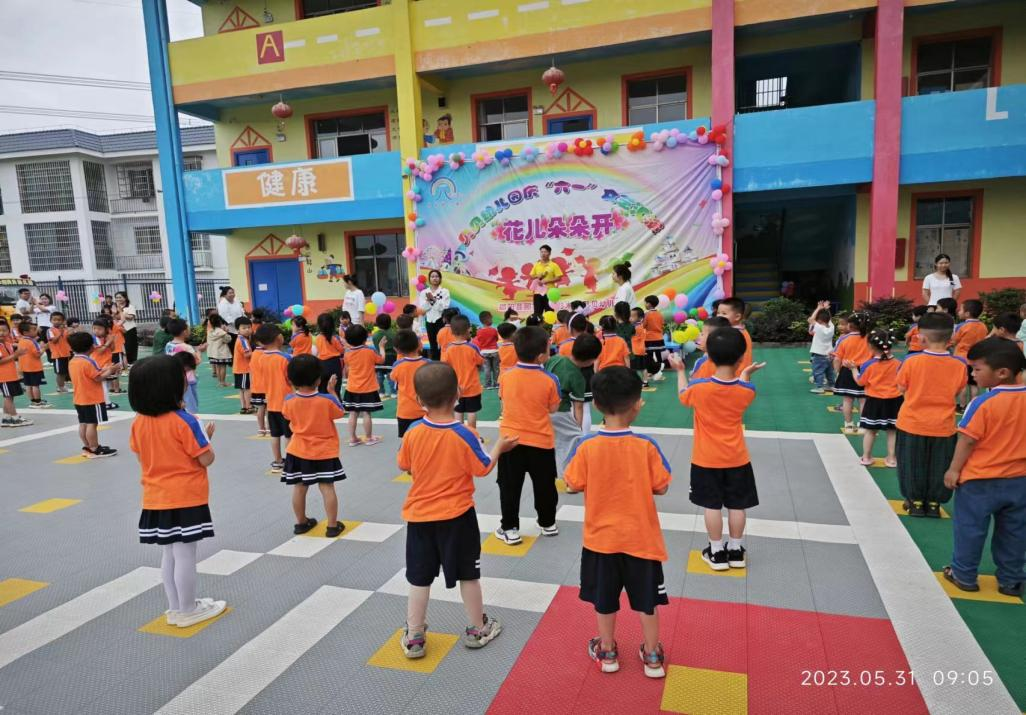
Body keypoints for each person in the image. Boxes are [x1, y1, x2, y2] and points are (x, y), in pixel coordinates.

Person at [397, 362, 518, 659]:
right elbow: (483, 468)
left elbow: (404, 464)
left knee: (419, 578)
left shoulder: (413, 430)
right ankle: (478, 627)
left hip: (420, 517)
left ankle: (414, 636)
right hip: (458, 517)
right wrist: (500, 447)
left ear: (418, 400)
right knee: (468, 574)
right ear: (459, 394)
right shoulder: (466, 433)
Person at [564, 366, 671, 677]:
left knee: (604, 599)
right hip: (642, 541)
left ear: (596, 405)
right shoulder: (647, 446)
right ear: (638, 404)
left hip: (601, 542)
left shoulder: (586, 447)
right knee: (647, 602)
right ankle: (652, 655)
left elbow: (571, 483)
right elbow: (662, 486)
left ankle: (608, 650)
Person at [129, 355, 226, 628]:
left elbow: (141, 455)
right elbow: (206, 459)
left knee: (169, 554)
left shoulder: (138, 422)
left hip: (154, 496)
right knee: (186, 555)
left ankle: (175, 607)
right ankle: (188, 609)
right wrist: (206, 438)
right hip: (186, 496)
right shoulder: (186, 420)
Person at [669, 328, 765, 571]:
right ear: (741, 357)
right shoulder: (747, 391)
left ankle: (716, 551)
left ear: (709, 355)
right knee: (737, 506)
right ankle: (736, 549)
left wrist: (680, 371)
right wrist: (744, 374)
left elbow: (683, 395)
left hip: (705, 460)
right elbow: (741, 388)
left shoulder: (699, 388)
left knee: (711, 506)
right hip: (737, 458)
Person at [942, 337, 1026, 599]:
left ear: (1002, 372)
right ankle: (1010, 580)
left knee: (970, 528)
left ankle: (964, 575)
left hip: (979, 480)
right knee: (1015, 532)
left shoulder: (982, 403)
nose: (972, 373)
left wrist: (953, 470)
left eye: (977, 369)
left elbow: (967, 439)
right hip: (1019, 481)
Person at [895, 312, 967, 518]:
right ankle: (934, 503)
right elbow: (958, 390)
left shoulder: (911, 362)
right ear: (951, 338)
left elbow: (901, 387)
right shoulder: (959, 365)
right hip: (944, 425)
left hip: (912, 422)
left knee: (911, 463)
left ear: (921, 337)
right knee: (939, 464)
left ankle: (915, 502)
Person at [495, 326, 562, 545]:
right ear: (542, 355)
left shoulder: (506, 376)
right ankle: (548, 522)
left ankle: (510, 528)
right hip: (541, 441)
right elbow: (552, 409)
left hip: (509, 442)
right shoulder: (551, 379)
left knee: (509, 486)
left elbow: (503, 399)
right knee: (545, 485)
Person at [281, 355, 347, 538]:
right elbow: (340, 413)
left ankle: (301, 522)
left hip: (298, 450)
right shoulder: (326, 400)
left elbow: (286, 416)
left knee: (299, 487)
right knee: (327, 487)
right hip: (324, 451)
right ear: (319, 379)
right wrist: (332, 391)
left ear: (291, 379)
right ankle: (332, 526)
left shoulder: (288, 400)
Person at [546, 333, 600, 490]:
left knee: (555, 443)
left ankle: (556, 473)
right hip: (560, 412)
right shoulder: (578, 377)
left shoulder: (556, 359)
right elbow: (578, 406)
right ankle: (568, 479)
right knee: (573, 441)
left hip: (543, 409)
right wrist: (578, 428)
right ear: (591, 360)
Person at [846, 330, 903, 468]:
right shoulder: (899, 364)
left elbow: (860, 382)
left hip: (874, 401)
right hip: (895, 401)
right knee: (892, 431)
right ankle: (892, 458)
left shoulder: (868, 365)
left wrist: (854, 369)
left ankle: (866, 457)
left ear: (871, 347)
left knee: (870, 431)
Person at [68, 331, 118, 455]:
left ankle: (87, 446)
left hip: (79, 398)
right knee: (92, 424)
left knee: (83, 423)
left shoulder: (73, 361)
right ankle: (95, 448)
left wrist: (104, 370)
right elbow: (98, 378)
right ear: (91, 346)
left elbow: (91, 374)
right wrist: (111, 370)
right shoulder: (89, 362)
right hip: (92, 398)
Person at [253, 324, 292, 472]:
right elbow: (290, 380)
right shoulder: (285, 358)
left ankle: (277, 460)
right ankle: (291, 461)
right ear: (278, 338)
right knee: (289, 435)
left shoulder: (262, 358)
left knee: (275, 434)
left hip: (271, 403)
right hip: (286, 403)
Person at [342, 324, 384, 447]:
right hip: (368, 388)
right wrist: (381, 347)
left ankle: (353, 438)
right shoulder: (369, 351)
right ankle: (369, 438)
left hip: (352, 387)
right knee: (366, 413)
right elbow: (381, 360)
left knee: (353, 413)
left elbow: (347, 369)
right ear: (365, 338)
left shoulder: (347, 353)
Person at [442, 315, 484, 431]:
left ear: (452, 332)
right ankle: (472, 433)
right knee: (472, 412)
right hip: (472, 387)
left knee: (458, 411)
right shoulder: (472, 347)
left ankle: (459, 434)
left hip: (455, 389)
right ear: (468, 330)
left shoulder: (449, 349)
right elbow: (480, 361)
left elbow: (445, 365)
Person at [832, 312, 872, 434]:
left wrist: (837, 372)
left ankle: (848, 425)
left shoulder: (844, 339)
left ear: (849, 325)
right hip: (865, 370)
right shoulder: (870, 338)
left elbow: (837, 358)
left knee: (847, 400)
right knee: (863, 400)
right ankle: (863, 425)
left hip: (847, 370)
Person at [390, 329, 428, 439]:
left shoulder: (398, 365)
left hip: (405, 412)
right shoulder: (427, 364)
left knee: (406, 441)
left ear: (397, 350)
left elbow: (393, 377)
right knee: (425, 441)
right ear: (419, 344)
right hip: (425, 411)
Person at [953, 299, 988, 410]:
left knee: (963, 384)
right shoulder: (983, 326)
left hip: (961, 358)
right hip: (976, 359)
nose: (959, 311)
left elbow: (954, 341)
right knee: (973, 384)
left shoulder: (961, 326)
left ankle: (962, 405)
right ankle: (973, 406)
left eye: (961, 310)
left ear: (967, 313)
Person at [164, 319, 202, 415]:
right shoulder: (186, 347)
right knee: (191, 405)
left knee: (178, 402)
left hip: (173, 378)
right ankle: (191, 424)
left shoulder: (168, 345)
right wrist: (199, 351)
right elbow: (196, 361)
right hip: (188, 380)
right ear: (184, 331)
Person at [0, 321, 33, 428]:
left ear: (9, 331)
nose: (1, 333)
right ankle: (14, 418)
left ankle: (6, 417)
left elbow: (16, 348)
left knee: (9, 396)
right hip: (3, 376)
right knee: (8, 397)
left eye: (4, 330)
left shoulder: (7, 344)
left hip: (11, 375)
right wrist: (16, 355)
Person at [418, 269, 450, 360]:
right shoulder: (424, 292)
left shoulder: (444, 291)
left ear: (440, 279)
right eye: (432, 276)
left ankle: (444, 362)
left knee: (443, 344)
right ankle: (435, 363)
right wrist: (429, 300)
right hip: (429, 320)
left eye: (437, 276)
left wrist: (434, 300)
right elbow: (423, 308)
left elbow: (444, 307)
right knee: (433, 344)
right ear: (429, 279)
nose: (435, 278)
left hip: (441, 320)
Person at [17, 322, 49, 408]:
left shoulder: (21, 340)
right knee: (36, 385)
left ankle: (33, 401)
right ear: (25, 332)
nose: (36, 331)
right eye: (34, 330)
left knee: (28, 385)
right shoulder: (32, 342)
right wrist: (44, 348)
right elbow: (37, 354)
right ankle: (38, 401)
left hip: (25, 367)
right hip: (34, 367)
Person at [716, 297, 753, 372]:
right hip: (741, 372)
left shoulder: (732, 334)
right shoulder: (741, 330)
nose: (719, 316)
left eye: (724, 313)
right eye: (718, 313)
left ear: (737, 317)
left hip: (735, 373)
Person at [807, 301, 836, 394]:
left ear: (820, 321)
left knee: (818, 371)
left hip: (819, 354)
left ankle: (819, 387)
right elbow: (829, 319)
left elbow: (811, 319)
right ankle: (831, 385)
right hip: (829, 354)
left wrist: (818, 308)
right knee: (829, 371)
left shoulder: (819, 328)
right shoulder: (831, 327)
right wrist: (827, 309)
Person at [691, 316, 732, 381]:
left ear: (713, 338)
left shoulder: (701, 363)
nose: (699, 336)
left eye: (702, 334)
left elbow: (692, 385)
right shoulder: (732, 361)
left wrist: (680, 371)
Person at [93, 317, 121, 409]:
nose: (96, 331)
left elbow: (112, 349)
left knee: (107, 384)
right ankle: (106, 403)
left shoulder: (107, 337)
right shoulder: (94, 338)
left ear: (106, 329)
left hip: (107, 362)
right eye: (94, 328)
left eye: (99, 329)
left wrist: (111, 340)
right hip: (98, 364)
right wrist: (108, 341)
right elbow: (100, 351)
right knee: (103, 384)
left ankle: (104, 401)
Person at [315, 313, 345, 401]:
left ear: (319, 325)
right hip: (334, 363)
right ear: (332, 325)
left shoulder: (318, 338)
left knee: (322, 387)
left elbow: (317, 351)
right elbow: (341, 350)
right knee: (335, 386)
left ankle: (323, 405)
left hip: (322, 364)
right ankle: (338, 404)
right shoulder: (334, 338)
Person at [529, 244, 564, 316]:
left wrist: (547, 281)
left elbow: (559, 277)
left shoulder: (554, 265)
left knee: (549, 313)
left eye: (545, 252)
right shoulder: (536, 265)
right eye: (541, 252)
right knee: (537, 313)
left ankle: (549, 327)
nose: (543, 254)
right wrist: (537, 276)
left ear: (549, 253)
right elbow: (531, 276)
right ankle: (537, 327)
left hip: (550, 292)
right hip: (538, 293)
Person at [372, 314, 397, 400]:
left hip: (379, 356)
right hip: (392, 357)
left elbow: (376, 346)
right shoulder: (394, 333)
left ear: (377, 324)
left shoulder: (375, 335)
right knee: (391, 376)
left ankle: (381, 392)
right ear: (390, 323)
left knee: (379, 376)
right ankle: (393, 392)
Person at [232, 317, 254, 415]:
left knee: (242, 389)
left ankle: (244, 407)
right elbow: (247, 354)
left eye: (249, 327)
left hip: (238, 369)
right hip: (244, 369)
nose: (247, 330)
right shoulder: (243, 340)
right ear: (238, 329)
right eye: (244, 328)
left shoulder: (241, 339)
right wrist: (258, 352)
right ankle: (248, 406)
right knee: (247, 388)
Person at [642, 296, 666, 382]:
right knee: (658, 354)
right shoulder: (660, 314)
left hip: (649, 338)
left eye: (645, 302)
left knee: (649, 356)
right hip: (659, 337)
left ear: (649, 304)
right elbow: (663, 324)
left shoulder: (647, 314)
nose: (644, 304)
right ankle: (660, 369)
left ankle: (651, 371)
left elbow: (643, 325)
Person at [249, 330, 269, 436]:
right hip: (266, 386)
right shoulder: (265, 354)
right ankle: (270, 427)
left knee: (260, 409)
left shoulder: (254, 354)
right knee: (269, 408)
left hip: (257, 386)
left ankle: (261, 429)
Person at [474, 311, 500, 390]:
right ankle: (496, 383)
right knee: (496, 368)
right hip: (494, 351)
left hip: (484, 352)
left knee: (487, 369)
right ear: (488, 320)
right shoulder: (494, 330)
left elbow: (479, 340)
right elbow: (496, 339)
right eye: (491, 318)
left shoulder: (479, 331)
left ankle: (488, 384)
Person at [206, 315, 232, 388]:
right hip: (222, 353)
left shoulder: (210, 331)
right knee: (223, 367)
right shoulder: (221, 332)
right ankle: (223, 382)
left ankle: (219, 382)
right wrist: (226, 332)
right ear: (220, 322)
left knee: (217, 367)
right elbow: (227, 340)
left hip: (213, 353)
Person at [217, 286, 246, 354]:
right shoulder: (222, 304)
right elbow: (225, 317)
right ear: (224, 294)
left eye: (233, 292)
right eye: (230, 293)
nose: (232, 294)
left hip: (240, 327)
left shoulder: (236, 300)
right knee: (233, 347)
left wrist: (245, 319)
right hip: (230, 329)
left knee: (241, 346)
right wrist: (237, 323)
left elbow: (242, 311)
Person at [47, 312, 71, 393]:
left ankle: (62, 385)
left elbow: (69, 339)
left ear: (63, 321)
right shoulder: (50, 330)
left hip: (66, 353)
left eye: (59, 320)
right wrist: (60, 332)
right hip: (57, 355)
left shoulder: (65, 330)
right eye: (54, 320)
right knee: (59, 372)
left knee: (64, 372)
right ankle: (60, 387)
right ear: (50, 320)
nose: (57, 321)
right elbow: (53, 341)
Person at [114, 291, 138, 366]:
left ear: (125, 298)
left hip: (129, 329)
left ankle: (131, 362)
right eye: (117, 297)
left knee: (130, 346)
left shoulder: (130, 307)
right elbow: (114, 317)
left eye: (120, 297)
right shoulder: (114, 307)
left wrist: (121, 312)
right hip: (118, 330)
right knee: (119, 347)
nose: (118, 299)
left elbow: (131, 317)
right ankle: (121, 363)